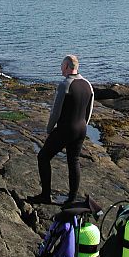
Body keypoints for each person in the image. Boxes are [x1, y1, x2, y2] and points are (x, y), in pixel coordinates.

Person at [29, 55, 94, 205]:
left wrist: (49, 129)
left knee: (43, 157)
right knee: (74, 161)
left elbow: (55, 112)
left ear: (66, 67)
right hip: (81, 128)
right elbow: (89, 111)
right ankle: (71, 199)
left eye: (61, 65)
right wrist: (83, 125)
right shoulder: (88, 84)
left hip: (66, 128)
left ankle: (45, 195)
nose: (60, 68)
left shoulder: (65, 85)